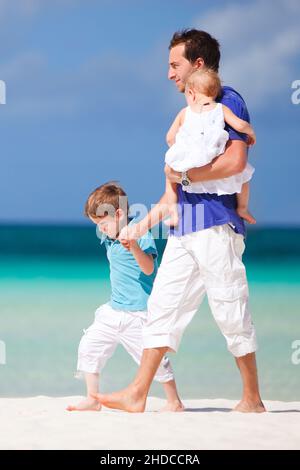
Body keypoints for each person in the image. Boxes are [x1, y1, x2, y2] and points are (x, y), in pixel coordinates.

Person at [91, 30, 266, 414]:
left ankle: (252, 399)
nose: (170, 74)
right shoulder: (186, 120)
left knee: (229, 308)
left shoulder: (225, 100)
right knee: (162, 310)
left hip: (216, 225)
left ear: (198, 64)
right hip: (183, 228)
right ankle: (138, 393)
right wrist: (139, 226)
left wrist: (185, 177)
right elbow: (171, 196)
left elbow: (235, 163)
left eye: (175, 65)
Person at [67, 182, 184, 412]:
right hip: (113, 310)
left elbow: (149, 268)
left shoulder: (141, 236)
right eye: (97, 225)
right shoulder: (109, 238)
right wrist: (110, 228)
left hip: (138, 312)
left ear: (119, 214)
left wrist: (134, 247)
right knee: (89, 346)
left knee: (153, 360)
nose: (101, 229)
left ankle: (174, 401)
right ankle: (92, 398)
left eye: (102, 223)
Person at [164, 67, 256, 227]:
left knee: (169, 176)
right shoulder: (221, 108)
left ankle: (173, 214)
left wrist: (177, 148)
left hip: (190, 158)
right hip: (212, 156)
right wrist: (251, 134)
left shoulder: (184, 112)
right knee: (244, 177)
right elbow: (240, 125)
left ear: (191, 94)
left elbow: (170, 137)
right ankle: (242, 208)